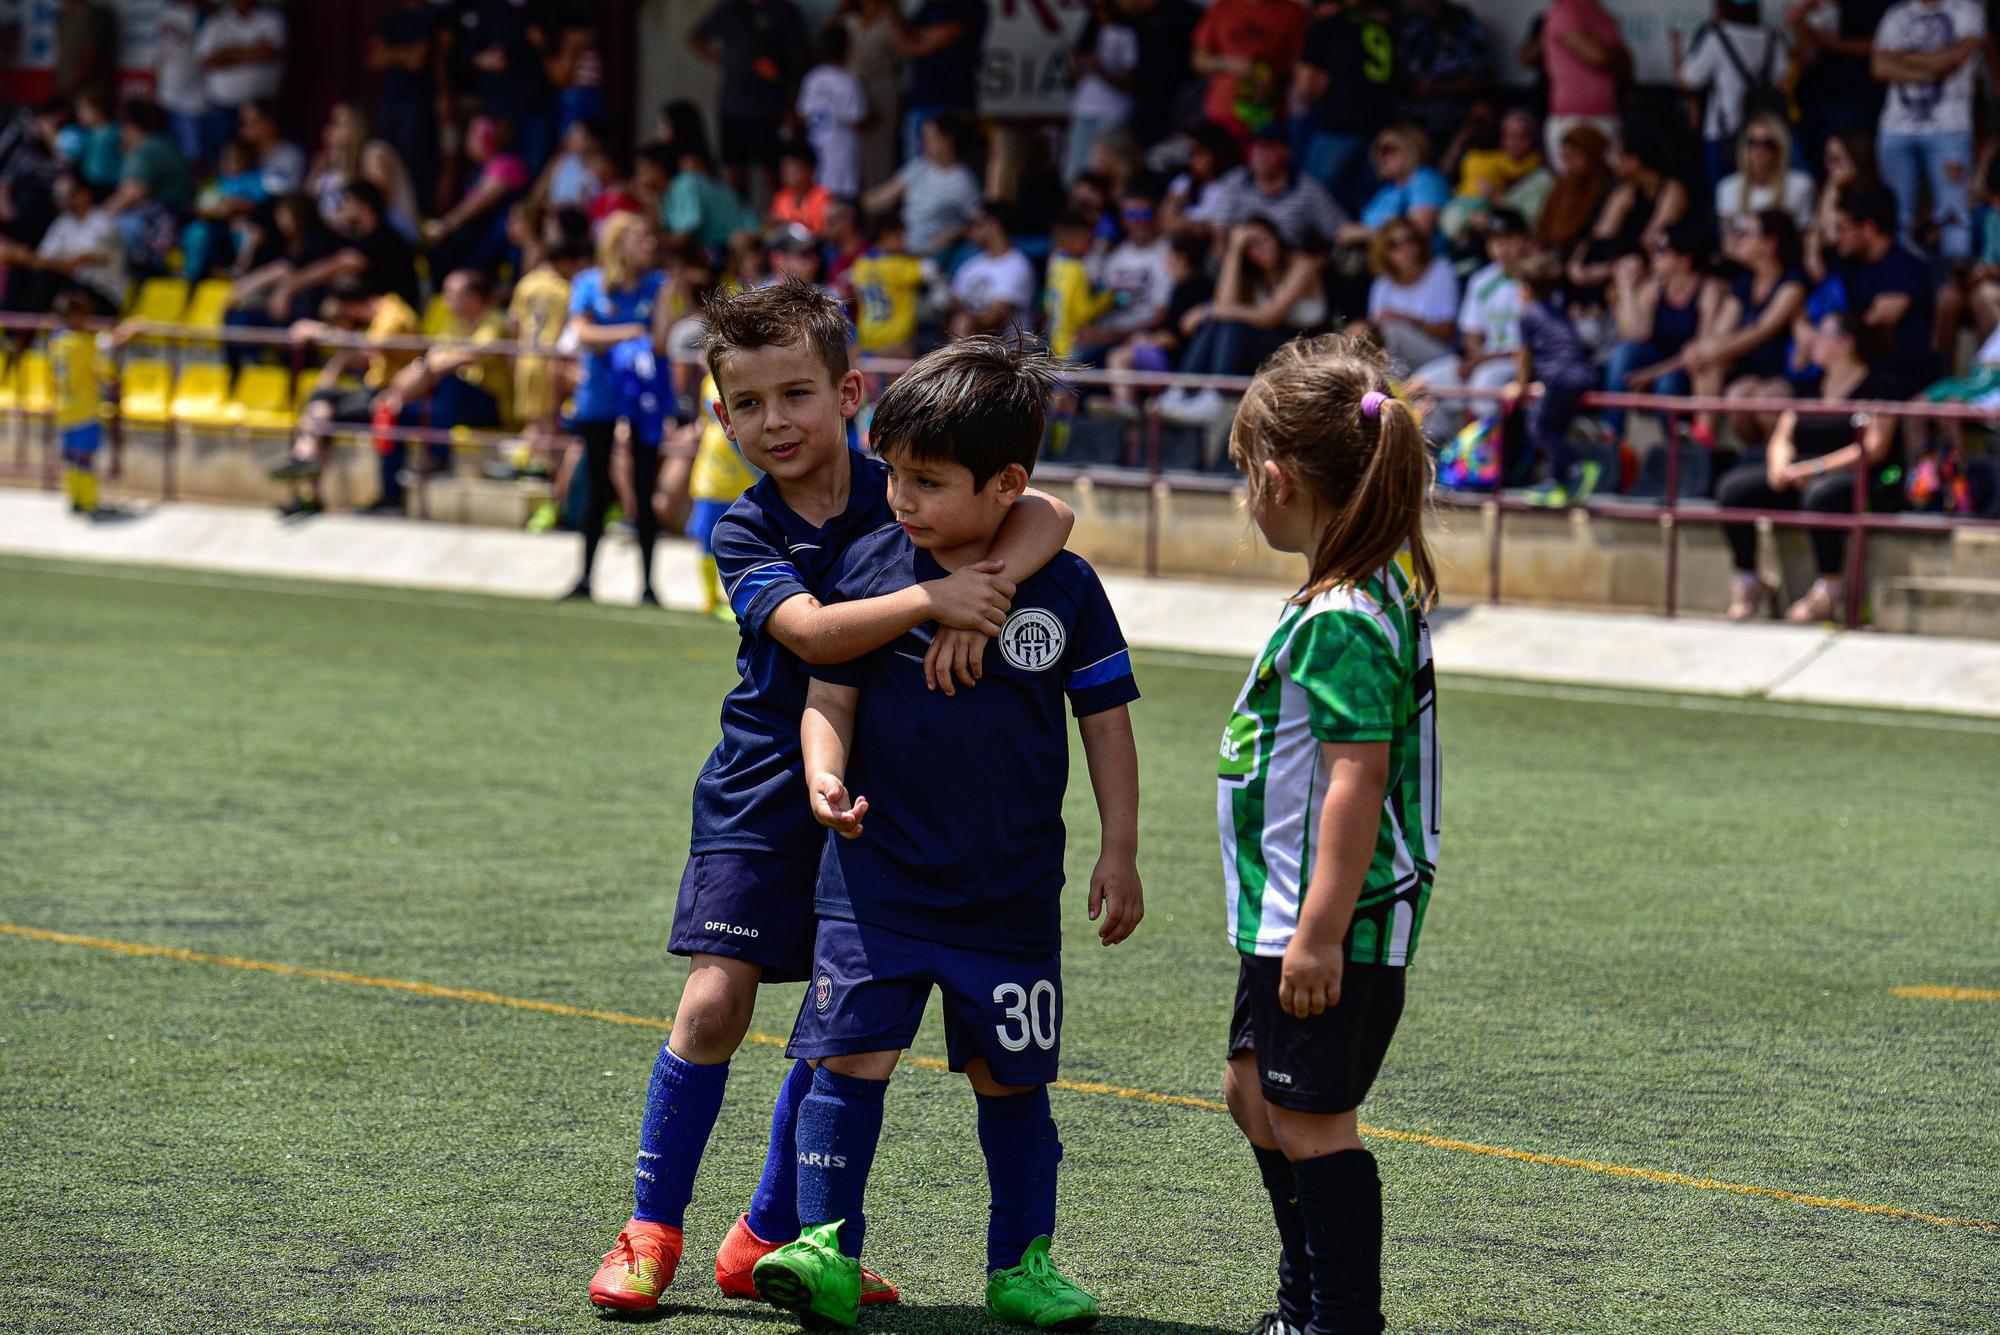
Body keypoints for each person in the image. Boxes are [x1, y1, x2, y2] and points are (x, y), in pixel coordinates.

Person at [584, 280, 1075, 1316]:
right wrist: (937, 598)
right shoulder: (741, 529)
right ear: (719, 417)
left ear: (849, 390)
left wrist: (974, 608)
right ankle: (648, 1230)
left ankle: (769, 1235)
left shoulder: (900, 479)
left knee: (836, 1022)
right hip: (764, 787)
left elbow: (1048, 512)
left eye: (796, 394)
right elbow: (809, 636)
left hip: (881, 801)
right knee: (716, 1001)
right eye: (748, 404)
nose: (775, 422)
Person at [751, 335, 1140, 1332]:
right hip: (874, 884)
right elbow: (826, 695)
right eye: (896, 475)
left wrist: (1119, 848)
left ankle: (1021, 1265)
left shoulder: (1064, 588)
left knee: (1011, 1082)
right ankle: (823, 1246)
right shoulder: (871, 565)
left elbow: (1105, 721)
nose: (903, 500)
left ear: (1005, 483)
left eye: (928, 482)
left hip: (1006, 893)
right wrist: (822, 772)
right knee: (848, 1063)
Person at [1218, 334, 1439, 1335]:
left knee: (1311, 1121)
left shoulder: (1347, 611)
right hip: (1280, 914)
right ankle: (1299, 1306)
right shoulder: (1351, 587)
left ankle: (1338, 1321)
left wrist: (1317, 931)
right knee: (1251, 1095)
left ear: (1275, 479)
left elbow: (1357, 777)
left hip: (1322, 923)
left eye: (1238, 473)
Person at [1716, 311, 1903, 622]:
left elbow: (1874, 448)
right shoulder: (1811, 386)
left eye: (1824, 332)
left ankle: (1830, 587)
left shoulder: (1877, 386)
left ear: (1847, 343)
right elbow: (1783, 435)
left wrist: (1815, 468)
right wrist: (1780, 466)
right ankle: (1750, 580)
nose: (1815, 339)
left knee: (1821, 496)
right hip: (1799, 474)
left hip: (1851, 479)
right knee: (1734, 489)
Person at [560, 213, 674, 604]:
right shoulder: (588, 283)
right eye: (641, 238)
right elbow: (583, 333)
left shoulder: (657, 284)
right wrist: (629, 332)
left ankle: (647, 585)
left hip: (645, 398)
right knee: (596, 486)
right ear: (619, 243)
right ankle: (585, 577)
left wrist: (663, 301)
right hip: (600, 395)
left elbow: (660, 343)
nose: (650, 246)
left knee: (644, 487)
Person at [269, 277, 422, 518]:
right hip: (376, 390)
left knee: (317, 420)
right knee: (318, 408)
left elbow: (368, 348)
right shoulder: (383, 312)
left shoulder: (393, 314)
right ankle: (306, 467)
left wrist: (321, 332)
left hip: (398, 394)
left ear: (350, 306)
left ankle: (306, 470)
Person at [1160, 216, 1327, 425]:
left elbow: (1270, 317)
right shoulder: (1254, 275)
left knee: (1231, 324)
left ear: (1277, 237)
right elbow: (1224, 304)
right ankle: (1180, 389)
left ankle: (1218, 396)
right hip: (1265, 347)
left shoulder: (1303, 264)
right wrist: (1235, 250)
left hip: (1303, 347)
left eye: (1264, 241)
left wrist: (1208, 310)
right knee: (1220, 322)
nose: (1260, 250)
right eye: (1251, 246)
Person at [1871, 0, 1984, 260]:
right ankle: (1900, 285)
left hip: (1950, 128)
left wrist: (1902, 58)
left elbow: (1953, 61)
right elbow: (1879, 67)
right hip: (1895, 128)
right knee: (1897, 214)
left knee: (1953, 212)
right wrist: (1933, 67)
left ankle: (1953, 288)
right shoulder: (1897, 14)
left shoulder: (1967, 10)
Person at [1411, 207, 1531, 431]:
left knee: (1484, 383)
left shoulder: (1536, 278)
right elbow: (1471, 336)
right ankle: (1443, 453)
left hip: (1520, 364)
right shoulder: (1482, 280)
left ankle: (1487, 460)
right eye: (1494, 241)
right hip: (1485, 358)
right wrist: (1476, 358)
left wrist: (1482, 361)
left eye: (1507, 239)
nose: (1500, 248)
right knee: (1421, 382)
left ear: (1523, 240)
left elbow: (1530, 346)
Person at [1508, 249, 1603, 506]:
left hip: (1558, 377)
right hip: (1579, 375)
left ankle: (1579, 467)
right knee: (1555, 427)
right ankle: (1555, 485)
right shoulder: (1558, 310)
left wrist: (1520, 386)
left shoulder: (1528, 316)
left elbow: (1524, 356)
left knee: (1538, 427)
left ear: (1526, 289)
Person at [693, 0, 810, 199]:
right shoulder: (730, 9)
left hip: (769, 106)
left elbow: (800, 53)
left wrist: (781, 75)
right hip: (733, 105)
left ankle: (778, 217)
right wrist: (723, 61)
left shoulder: (782, 10)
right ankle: (740, 220)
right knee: (735, 172)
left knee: (772, 172)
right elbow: (697, 36)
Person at [1828, 181, 1936, 393]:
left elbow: (1877, 324)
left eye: (1843, 229)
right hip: (1861, 372)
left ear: (1869, 228)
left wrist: (1826, 335)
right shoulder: (1852, 262)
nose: (1836, 237)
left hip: (1901, 375)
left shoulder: (1903, 267)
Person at [1295, 0, 1399, 215]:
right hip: (1380, 127)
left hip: (1338, 125)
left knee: (1313, 199)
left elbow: (1305, 88)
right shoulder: (1383, 26)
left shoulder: (1328, 27)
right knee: (1369, 204)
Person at [1674, 0, 1792, 188]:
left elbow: (1688, 81)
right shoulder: (1771, 36)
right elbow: (1782, 82)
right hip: (1764, 132)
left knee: (1723, 196)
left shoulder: (1716, 36)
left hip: (1723, 132)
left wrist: (1676, 49)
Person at [1187, 125, 1346, 250]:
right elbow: (1219, 230)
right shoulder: (1236, 180)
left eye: (1268, 147)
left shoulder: (1308, 189)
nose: (1260, 153)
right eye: (1256, 147)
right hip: (1244, 266)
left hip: (1289, 268)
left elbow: (1338, 230)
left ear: (1285, 152)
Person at [0, 170, 125, 317]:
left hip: (103, 294)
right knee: (20, 272)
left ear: (85, 193)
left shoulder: (103, 223)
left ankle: (25, 334)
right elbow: (43, 257)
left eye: (67, 194)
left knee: (47, 277)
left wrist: (24, 256)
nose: (61, 199)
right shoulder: (63, 222)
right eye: (59, 195)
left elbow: (71, 267)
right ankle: (12, 329)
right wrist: (22, 258)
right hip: (73, 287)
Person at [424, 116, 530, 279]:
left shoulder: (506, 163)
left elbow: (479, 202)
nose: (467, 139)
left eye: (472, 134)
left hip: (500, 235)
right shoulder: (478, 169)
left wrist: (445, 226)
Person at [1191, 0, 1307, 144]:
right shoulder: (1223, 8)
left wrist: (1275, 78)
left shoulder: (1292, 12)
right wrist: (1228, 64)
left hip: (1270, 116)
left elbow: (1302, 62)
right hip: (1222, 113)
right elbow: (1199, 60)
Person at [862, 116, 981, 257]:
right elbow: (883, 197)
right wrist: (854, 205)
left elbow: (978, 222)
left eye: (929, 138)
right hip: (901, 250)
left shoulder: (963, 181)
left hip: (936, 257)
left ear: (947, 140)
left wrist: (954, 234)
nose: (923, 144)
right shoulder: (918, 167)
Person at [309, 103, 419, 241]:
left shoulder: (374, 152)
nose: (329, 131)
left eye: (337, 124)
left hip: (396, 240)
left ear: (356, 127)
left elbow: (372, 211)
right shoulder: (343, 165)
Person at [894, 0, 989, 159]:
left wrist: (917, 37)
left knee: (945, 170)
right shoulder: (931, 4)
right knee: (916, 172)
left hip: (951, 102)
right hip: (920, 100)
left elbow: (930, 41)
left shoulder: (970, 5)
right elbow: (909, 39)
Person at [368, 0, 445, 194]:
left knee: (414, 162)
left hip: (417, 101)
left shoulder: (430, 15)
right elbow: (374, 59)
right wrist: (404, 53)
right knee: (384, 154)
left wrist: (391, 53)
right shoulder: (392, 15)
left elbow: (417, 61)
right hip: (390, 100)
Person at [1365, 216, 1460, 372]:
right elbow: (1375, 337)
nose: (1405, 248)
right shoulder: (1381, 285)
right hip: (1401, 362)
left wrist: (1404, 319)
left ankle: (1391, 392)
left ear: (1420, 242)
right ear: (1384, 251)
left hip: (1441, 356)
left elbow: (1447, 333)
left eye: (1410, 239)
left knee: (1392, 330)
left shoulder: (1441, 271)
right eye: (1393, 244)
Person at [1541, 0, 1630, 160]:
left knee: (1611, 182)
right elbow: (1597, 56)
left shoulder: (1602, 15)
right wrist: (1611, 53)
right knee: (1573, 182)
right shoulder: (1564, 10)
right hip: (1571, 119)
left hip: (1607, 116)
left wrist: (1605, 51)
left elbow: (1627, 65)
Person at [1398, 0, 1491, 148]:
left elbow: (1480, 77)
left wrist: (1437, 87)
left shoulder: (1464, 24)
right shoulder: (1409, 25)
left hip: (1457, 120)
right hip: (1413, 122)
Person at [195, 0, 286, 152]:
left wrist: (228, 53)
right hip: (224, 105)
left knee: (263, 152)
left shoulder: (270, 18)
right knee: (225, 153)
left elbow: (272, 53)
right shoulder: (216, 22)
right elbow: (207, 61)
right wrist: (252, 50)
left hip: (262, 104)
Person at [1066, 0, 1140, 184]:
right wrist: (1077, 65)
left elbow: (1130, 82)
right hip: (1083, 108)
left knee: (1101, 169)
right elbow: (1074, 81)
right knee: (1074, 170)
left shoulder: (1126, 34)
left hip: (1112, 110)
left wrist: (1099, 70)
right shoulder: (1090, 35)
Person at [50, 290, 110, 516]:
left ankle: (74, 499)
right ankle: (89, 502)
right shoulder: (82, 344)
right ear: (75, 317)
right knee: (85, 457)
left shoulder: (57, 342)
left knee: (71, 457)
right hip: (84, 408)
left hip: (65, 406)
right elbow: (103, 359)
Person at [837, 0, 903, 193]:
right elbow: (827, 38)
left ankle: (878, 207)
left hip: (881, 87)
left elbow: (902, 53)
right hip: (851, 88)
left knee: (880, 151)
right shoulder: (850, 21)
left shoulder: (890, 22)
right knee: (851, 150)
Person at [797, 25, 867, 200]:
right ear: (846, 51)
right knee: (841, 200)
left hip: (816, 143)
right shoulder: (848, 82)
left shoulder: (812, 78)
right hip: (841, 150)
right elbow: (856, 119)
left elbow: (803, 114)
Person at [1715, 113, 1817, 233]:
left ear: (1780, 148)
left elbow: (1804, 240)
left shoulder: (1801, 186)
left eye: (1767, 144)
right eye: (1752, 142)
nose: (1758, 151)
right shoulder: (1727, 187)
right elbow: (1728, 243)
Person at [946, 206, 1038, 339]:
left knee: (962, 322)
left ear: (994, 225)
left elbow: (995, 319)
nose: (970, 230)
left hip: (1008, 354)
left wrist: (964, 321)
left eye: (976, 224)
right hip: (970, 346)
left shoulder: (1018, 266)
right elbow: (954, 307)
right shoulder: (970, 265)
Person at [848, 214, 925, 358]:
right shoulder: (900, 265)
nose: (905, 240)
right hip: (895, 341)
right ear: (887, 234)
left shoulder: (861, 264)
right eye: (901, 235)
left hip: (867, 337)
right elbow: (930, 271)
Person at [1043, 209, 1116, 360]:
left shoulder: (1055, 265)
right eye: (1087, 240)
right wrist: (1108, 297)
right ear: (1070, 240)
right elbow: (1082, 313)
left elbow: (1047, 303)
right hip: (1073, 344)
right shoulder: (1077, 269)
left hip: (1055, 342)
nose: (1089, 246)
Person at [155, 0, 212, 169]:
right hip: (168, 94)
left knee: (196, 154)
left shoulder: (203, 14)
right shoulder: (169, 13)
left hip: (194, 96)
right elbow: (162, 51)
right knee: (173, 153)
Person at [768, 142, 833, 233]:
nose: (788, 174)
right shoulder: (780, 198)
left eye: (794, 168)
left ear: (810, 169)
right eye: (785, 169)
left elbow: (823, 231)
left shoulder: (823, 196)